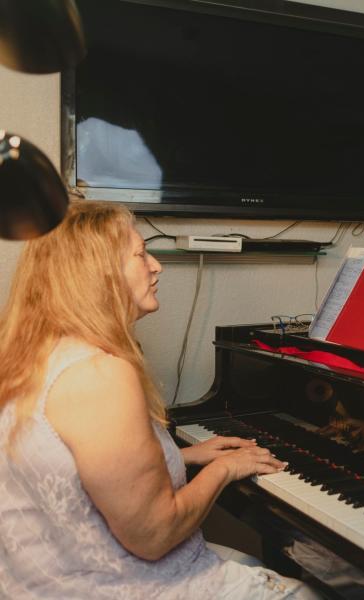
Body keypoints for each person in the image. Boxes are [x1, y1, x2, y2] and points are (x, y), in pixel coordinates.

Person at [0, 201, 323, 599]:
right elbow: (154, 535)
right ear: (98, 274)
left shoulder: (27, 355)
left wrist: (182, 456)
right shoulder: (99, 374)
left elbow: (78, 464)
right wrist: (224, 468)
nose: (157, 266)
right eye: (140, 254)